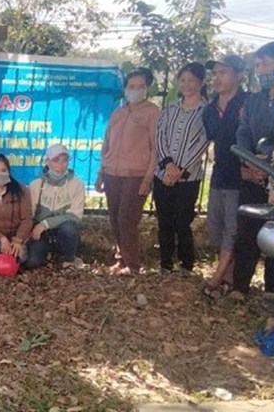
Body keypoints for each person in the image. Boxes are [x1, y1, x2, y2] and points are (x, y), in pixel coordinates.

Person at [95, 68, 160, 275]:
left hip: (136, 175)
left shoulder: (152, 113)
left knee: (127, 219)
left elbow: (155, 148)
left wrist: (148, 177)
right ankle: (121, 259)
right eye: (131, 86)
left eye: (141, 86)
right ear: (125, 89)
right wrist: (101, 172)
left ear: (147, 88)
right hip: (112, 173)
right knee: (114, 218)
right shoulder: (119, 112)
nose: (136, 90)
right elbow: (107, 143)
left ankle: (133, 265)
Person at [153, 62, 209, 276]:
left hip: (188, 178)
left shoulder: (206, 111)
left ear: (201, 82)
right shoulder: (170, 109)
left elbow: (203, 143)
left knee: (182, 222)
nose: (186, 84)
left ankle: (186, 265)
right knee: (164, 221)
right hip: (163, 174)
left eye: (192, 80)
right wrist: (168, 165)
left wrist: (179, 171)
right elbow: (160, 136)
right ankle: (165, 264)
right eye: (183, 80)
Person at [236, 41, 274, 299]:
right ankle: (240, 286)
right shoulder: (254, 100)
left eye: (265, 64)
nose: (260, 70)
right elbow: (243, 131)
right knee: (247, 231)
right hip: (253, 173)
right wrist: (248, 160)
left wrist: (271, 159)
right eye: (256, 65)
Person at [201, 55, 247, 298]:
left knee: (233, 227)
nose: (217, 78)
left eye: (223, 72)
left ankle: (219, 277)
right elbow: (210, 138)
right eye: (215, 73)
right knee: (215, 227)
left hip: (242, 176)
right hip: (219, 173)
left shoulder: (247, 103)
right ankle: (229, 272)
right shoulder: (210, 108)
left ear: (239, 75)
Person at [24, 144, 86, 270]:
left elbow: (74, 215)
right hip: (41, 234)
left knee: (68, 229)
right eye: (56, 160)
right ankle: (49, 253)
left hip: (63, 232)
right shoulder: (35, 185)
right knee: (32, 263)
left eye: (64, 161)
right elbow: (28, 215)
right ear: (47, 162)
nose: (61, 165)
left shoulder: (77, 184)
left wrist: (46, 224)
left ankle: (69, 259)